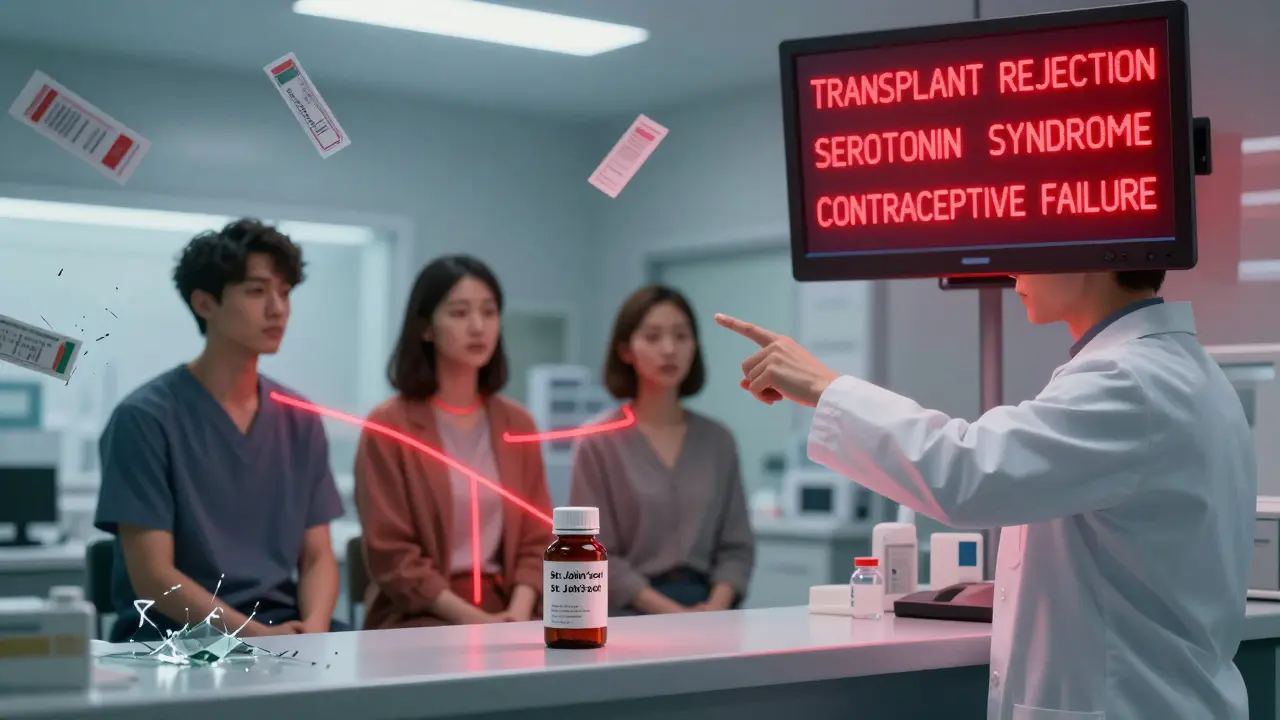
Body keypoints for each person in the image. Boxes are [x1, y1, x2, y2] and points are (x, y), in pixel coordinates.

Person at [717, 269, 1254, 719]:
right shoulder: (1177, 371)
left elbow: (968, 472)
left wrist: (825, 388)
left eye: (1030, 245)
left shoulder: (1129, 380)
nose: (1012, 267)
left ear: (1089, 252)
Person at [95, 219, 347, 642]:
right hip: (174, 638)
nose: (277, 308)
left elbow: (319, 557)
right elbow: (154, 577)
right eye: (256, 291)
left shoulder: (299, 419)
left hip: (285, 629)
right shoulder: (145, 419)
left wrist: (315, 630)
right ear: (204, 304)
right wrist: (255, 636)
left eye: (284, 293)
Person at [355, 255, 553, 629]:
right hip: (424, 613)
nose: (478, 327)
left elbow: (537, 538)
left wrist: (518, 612)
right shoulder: (389, 425)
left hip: (513, 606)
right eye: (459, 313)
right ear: (426, 328)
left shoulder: (517, 422)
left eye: (489, 312)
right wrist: (476, 621)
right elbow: (392, 555)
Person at [570, 285, 755, 615]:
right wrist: (671, 615)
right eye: (653, 337)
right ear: (626, 350)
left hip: (710, 608)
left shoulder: (718, 441)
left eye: (681, 336)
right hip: (631, 610)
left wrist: (715, 607)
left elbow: (736, 548)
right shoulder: (598, 442)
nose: (669, 349)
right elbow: (595, 552)